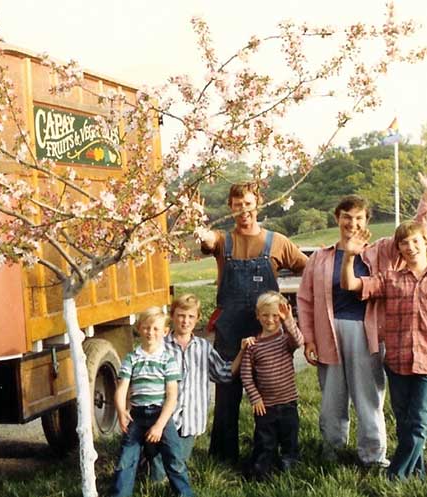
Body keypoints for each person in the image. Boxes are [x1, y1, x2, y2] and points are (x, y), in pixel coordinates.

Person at [297, 164, 427, 467]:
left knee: (369, 398)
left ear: (366, 221)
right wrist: (309, 339)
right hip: (330, 332)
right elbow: (306, 300)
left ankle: (373, 456)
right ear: (337, 219)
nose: (352, 224)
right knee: (332, 399)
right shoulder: (321, 257)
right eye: (346, 217)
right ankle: (333, 452)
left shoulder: (380, 251)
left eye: (358, 218)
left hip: (367, 333)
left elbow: (418, 230)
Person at [197, 182, 308, 463]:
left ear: (257, 203)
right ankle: (223, 459)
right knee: (226, 394)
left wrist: (301, 310)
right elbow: (207, 240)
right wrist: (199, 225)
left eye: (248, 203)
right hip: (231, 330)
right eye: (237, 205)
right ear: (230, 208)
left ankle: (274, 456)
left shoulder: (278, 242)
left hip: (268, 332)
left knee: (273, 396)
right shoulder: (223, 240)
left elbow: (310, 268)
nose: (243, 210)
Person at [341, 221, 427, 480]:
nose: (410, 247)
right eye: (404, 243)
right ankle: (417, 475)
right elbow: (350, 285)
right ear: (399, 249)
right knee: (405, 426)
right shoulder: (390, 280)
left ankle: (394, 477)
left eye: (415, 241)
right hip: (397, 363)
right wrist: (349, 257)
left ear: (426, 243)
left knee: (419, 426)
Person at [147, 294, 248, 481]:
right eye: (181, 316)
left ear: (198, 318)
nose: (185, 321)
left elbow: (223, 373)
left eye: (190, 317)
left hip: (191, 419)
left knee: (178, 464)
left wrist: (242, 351)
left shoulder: (203, 348)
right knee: (159, 468)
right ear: (172, 316)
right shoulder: (160, 347)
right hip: (163, 418)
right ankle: (152, 487)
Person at [110, 308, 194, 497]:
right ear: (139, 329)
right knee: (125, 461)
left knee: (175, 460)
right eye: (146, 328)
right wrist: (121, 411)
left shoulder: (167, 360)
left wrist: (159, 426)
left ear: (165, 332)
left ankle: (185, 493)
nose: (150, 333)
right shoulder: (132, 358)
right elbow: (122, 388)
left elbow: (172, 396)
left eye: (156, 329)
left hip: (161, 416)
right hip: (137, 416)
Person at [240, 291, 304, 478]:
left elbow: (299, 341)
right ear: (258, 315)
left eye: (275, 315)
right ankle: (262, 471)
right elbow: (246, 375)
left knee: (289, 439)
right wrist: (255, 398)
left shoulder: (285, 339)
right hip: (265, 406)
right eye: (266, 315)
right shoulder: (253, 345)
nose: (270, 320)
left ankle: (289, 469)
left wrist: (289, 320)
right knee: (265, 442)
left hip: (288, 403)